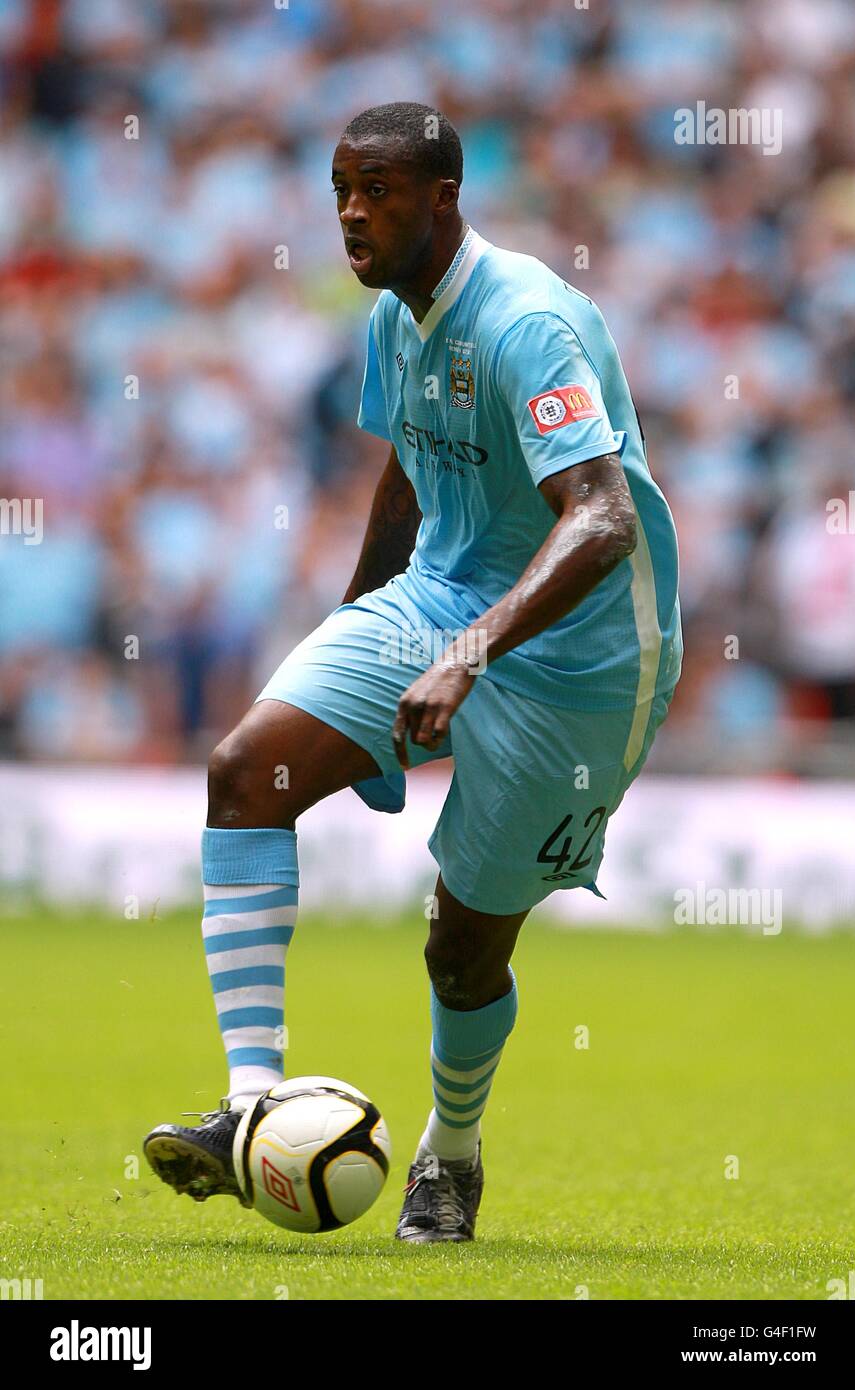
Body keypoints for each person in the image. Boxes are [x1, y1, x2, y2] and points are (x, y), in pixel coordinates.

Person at [143, 101, 683, 1244]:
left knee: (461, 942)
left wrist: (471, 654)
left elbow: (600, 522)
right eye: (341, 186)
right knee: (247, 770)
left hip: (582, 662)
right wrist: (352, 651)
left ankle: (450, 1150)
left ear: (443, 197)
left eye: (377, 188)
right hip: (439, 595)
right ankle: (248, 1108)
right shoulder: (395, 311)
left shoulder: (525, 320)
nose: (351, 210)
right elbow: (406, 471)